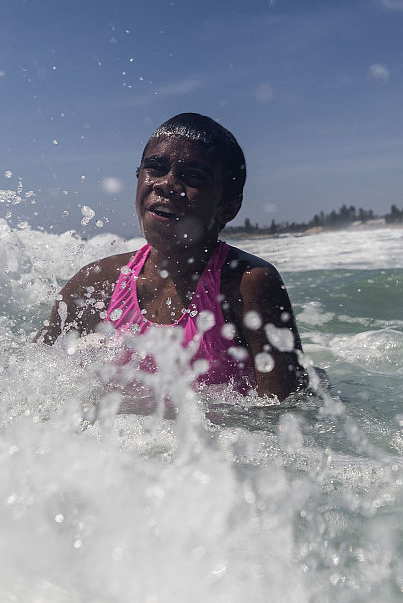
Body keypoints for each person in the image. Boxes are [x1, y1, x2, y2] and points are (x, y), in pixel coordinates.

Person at [36, 113, 312, 401]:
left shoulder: (246, 285)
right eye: (155, 168)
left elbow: (286, 414)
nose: (166, 184)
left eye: (193, 176)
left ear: (228, 208)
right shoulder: (96, 282)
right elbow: (32, 379)